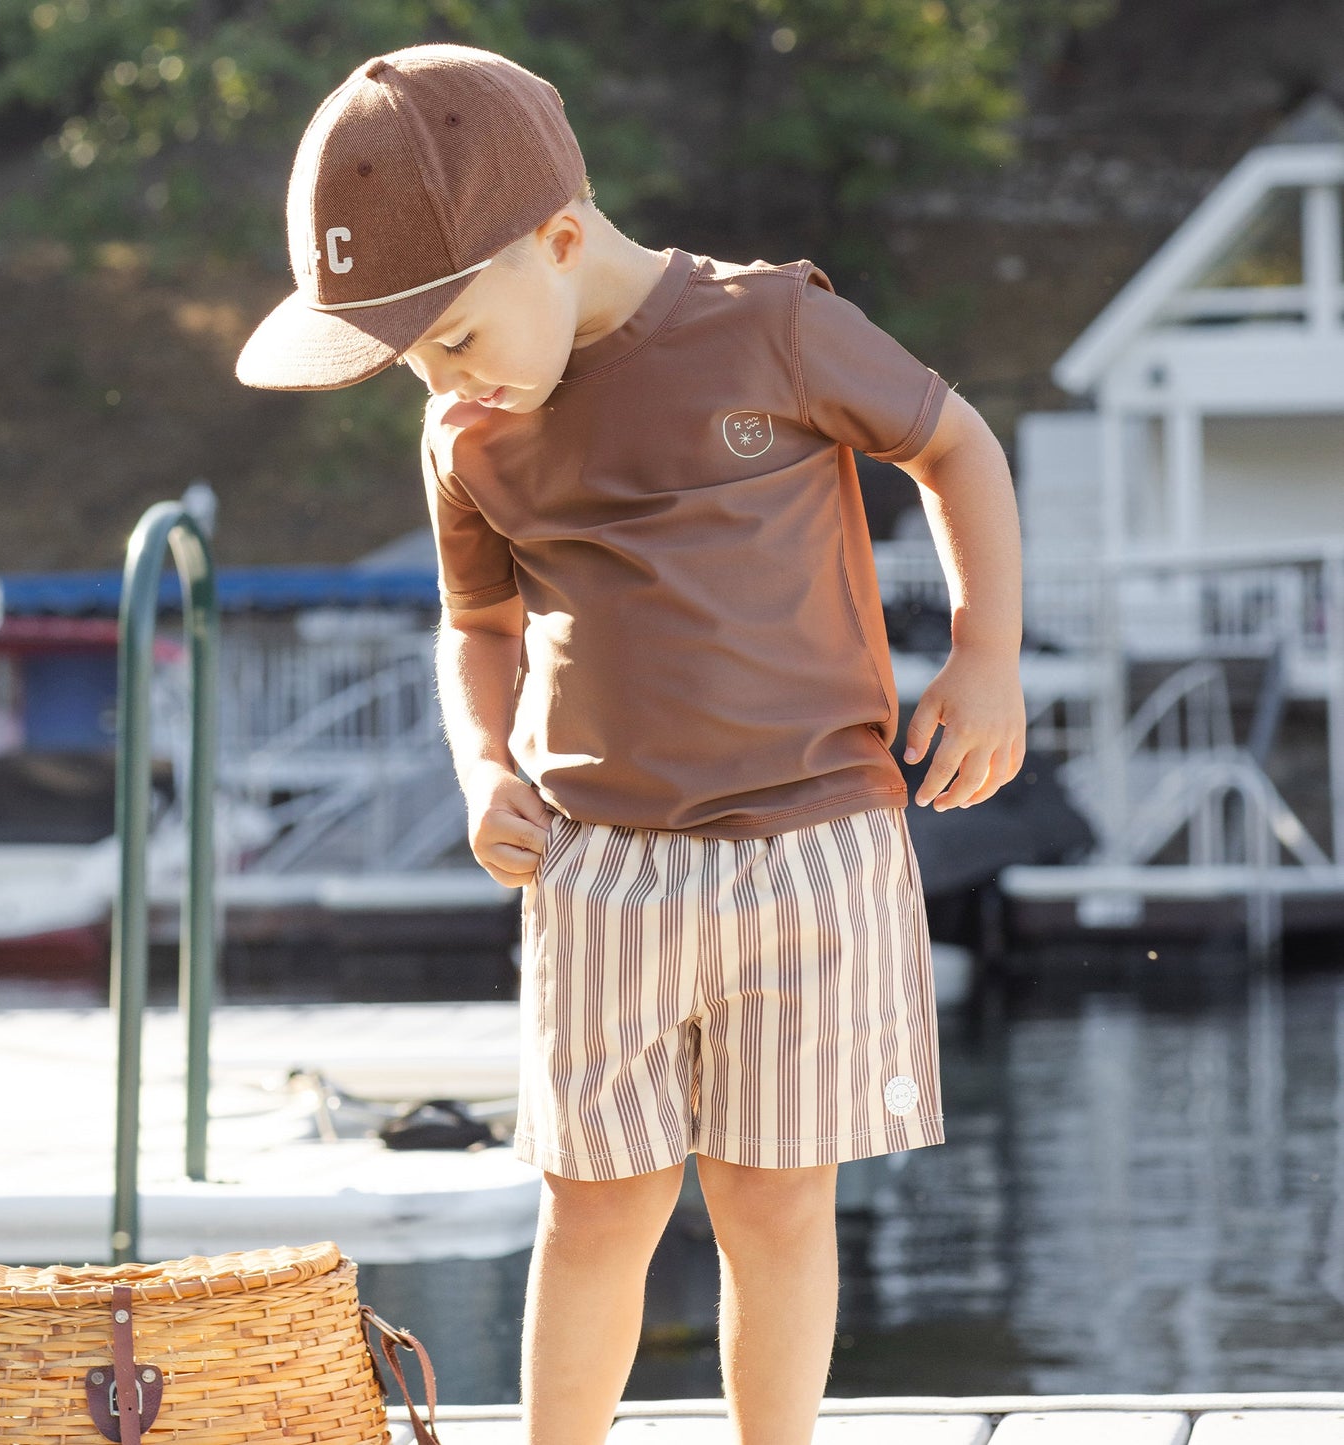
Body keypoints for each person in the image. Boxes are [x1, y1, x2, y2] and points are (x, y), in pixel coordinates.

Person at [236, 41, 1027, 1445]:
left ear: (555, 240)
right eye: (412, 356)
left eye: (456, 334)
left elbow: (954, 443)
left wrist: (982, 660)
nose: (443, 375)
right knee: (594, 1202)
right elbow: (474, 627)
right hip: (600, 868)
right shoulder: (464, 430)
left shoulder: (769, 326)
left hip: (816, 846)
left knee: (775, 1197)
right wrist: (486, 768)